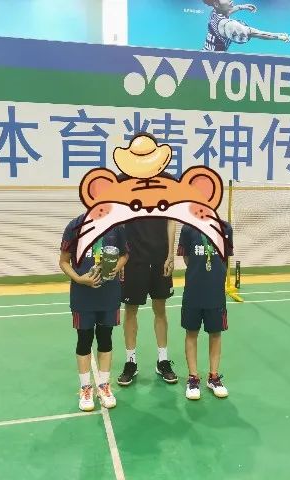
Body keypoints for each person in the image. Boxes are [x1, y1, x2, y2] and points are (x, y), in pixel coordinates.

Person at [116, 133, 178, 386]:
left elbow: (172, 218)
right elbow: (117, 220)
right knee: (130, 310)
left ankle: (163, 360)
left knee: (160, 308)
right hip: (133, 258)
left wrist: (170, 253)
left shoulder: (168, 180)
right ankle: (130, 362)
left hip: (160, 256)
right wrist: (121, 257)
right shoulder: (122, 180)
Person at [59, 214, 129, 411]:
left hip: (109, 295)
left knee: (105, 339)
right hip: (83, 296)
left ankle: (104, 386)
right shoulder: (74, 226)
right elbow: (63, 261)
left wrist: (115, 268)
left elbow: (124, 254)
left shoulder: (116, 226)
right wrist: (79, 279)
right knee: (84, 340)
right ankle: (85, 388)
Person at [177, 220, 233, 400]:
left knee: (215, 333)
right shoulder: (188, 229)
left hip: (215, 292)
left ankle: (213, 377)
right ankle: (193, 378)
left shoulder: (225, 228)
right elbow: (187, 259)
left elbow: (226, 257)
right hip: (193, 291)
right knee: (191, 332)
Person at [202, 0, 290, 52]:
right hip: (212, 61)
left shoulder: (214, 13)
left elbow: (228, 11)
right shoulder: (228, 25)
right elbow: (253, 33)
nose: (230, 0)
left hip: (204, 54)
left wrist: (242, 7)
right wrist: (279, 36)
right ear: (216, 4)